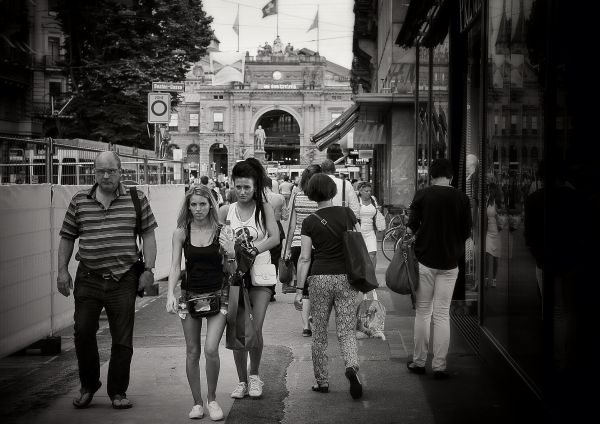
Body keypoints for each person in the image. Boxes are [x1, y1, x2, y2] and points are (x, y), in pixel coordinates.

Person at [57, 151, 158, 410]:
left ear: (120, 171)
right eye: (100, 171)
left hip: (124, 278)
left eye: (110, 171)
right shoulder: (80, 200)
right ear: (94, 172)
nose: (105, 176)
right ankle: (89, 385)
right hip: (88, 277)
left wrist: (148, 269)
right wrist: (61, 270)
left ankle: (117, 391)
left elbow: (148, 236)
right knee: (82, 332)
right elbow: (67, 236)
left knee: (122, 338)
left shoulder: (136, 198)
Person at [293, 173, 363, 399]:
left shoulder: (309, 221)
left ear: (312, 194)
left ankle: (322, 381)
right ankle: (351, 366)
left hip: (319, 277)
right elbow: (358, 245)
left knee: (320, 333)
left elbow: (304, 258)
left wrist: (298, 289)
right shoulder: (347, 214)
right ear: (333, 190)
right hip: (345, 277)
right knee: (345, 330)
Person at [165, 185, 231, 420]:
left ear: (210, 205)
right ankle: (197, 403)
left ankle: (212, 399)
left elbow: (231, 266)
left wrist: (230, 250)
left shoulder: (222, 230)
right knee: (192, 351)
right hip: (190, 295)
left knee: (211, 349)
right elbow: (174, 266)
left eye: (202, 204)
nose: (198, 209)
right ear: (188, 206)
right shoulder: (181, 232)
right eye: (193, 204)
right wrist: (170, 293)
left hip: (218, 294)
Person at [218, 157, 280, 399]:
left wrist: (254, 249)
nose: (242, 191)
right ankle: (242, 381)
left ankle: (254, 376)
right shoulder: (226, 210)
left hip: (260, 276)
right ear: (232, 184)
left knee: (254, 327)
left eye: (247, 187)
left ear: (256, 187)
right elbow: (219, 242)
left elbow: (274, 237)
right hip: (234, 278)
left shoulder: (263, 209)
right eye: (238, 186)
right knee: (237, 329)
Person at [405, 158, 472, 379]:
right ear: (451, 176)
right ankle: (440, 366)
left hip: (425, 261)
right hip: (450, 263)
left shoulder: (423, 195)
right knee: (442, 314)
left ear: (431, 176)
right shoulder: (462, 197)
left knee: (423, 312)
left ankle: (418, 362)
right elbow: (466, 232)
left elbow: (411, 226)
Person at [283, 165, 321, 337]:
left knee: (304, 285)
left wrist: (288, 248)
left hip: (299, 243)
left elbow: (291, 225)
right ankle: (314, 315)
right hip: (320, 245)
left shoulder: (297, 195)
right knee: (318, 285)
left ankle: (306, 326)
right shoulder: (322, 197)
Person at [264, 176, 289, 302]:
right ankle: (272, 291)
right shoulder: (279, 198)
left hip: (262, 229)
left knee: (261, 260)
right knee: (274, 261)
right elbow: (285, 216)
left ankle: (262, 289)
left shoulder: (258, 198)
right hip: (277, 228)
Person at [485, 183, 504, 289]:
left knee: (496, 257)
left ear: (494, 190)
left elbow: (503, 212)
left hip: (496, 231)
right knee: (487, 254)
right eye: (488, 189)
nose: (489, 191)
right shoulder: (488, 200)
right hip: (488, 231)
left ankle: (494, 279)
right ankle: (487, 277)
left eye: (490, 189)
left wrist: (499, 212)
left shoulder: (497, 201)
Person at [356, 182, 379, 269]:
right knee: (359, 256)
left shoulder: (373, 199)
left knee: (372, 254)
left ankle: (372, 277)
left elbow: (376, 213)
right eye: (366, 191)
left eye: (370, 191)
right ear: (360, 191)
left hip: (370, 231)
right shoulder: (356, 200)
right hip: (358, 232)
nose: (369, 193)